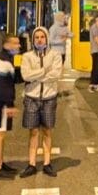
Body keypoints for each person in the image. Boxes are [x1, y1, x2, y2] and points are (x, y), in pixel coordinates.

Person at [19, 27, 63, 178]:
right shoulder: (27, 56)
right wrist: (44, 71)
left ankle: (47, 163)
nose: (39, 40)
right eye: (36, 37)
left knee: (47, 131)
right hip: (31, 97)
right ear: (33, 40)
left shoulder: (55, 55)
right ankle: (31, 164)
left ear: (47, 38)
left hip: (49, 98)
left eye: (42, 37)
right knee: (33, 132)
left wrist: (35, 75)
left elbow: (56, 75)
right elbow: (25, 75)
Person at [0, 34, 23, 180]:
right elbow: (3, 86)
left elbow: (12, 79)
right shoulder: (1, 61)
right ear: (7, 44)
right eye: (16, 43)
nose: (19, 46)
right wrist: (9, 105)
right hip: (1, 102)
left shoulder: (4, 59)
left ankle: (0, 164)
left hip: (0, 101)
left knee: (1, 132)